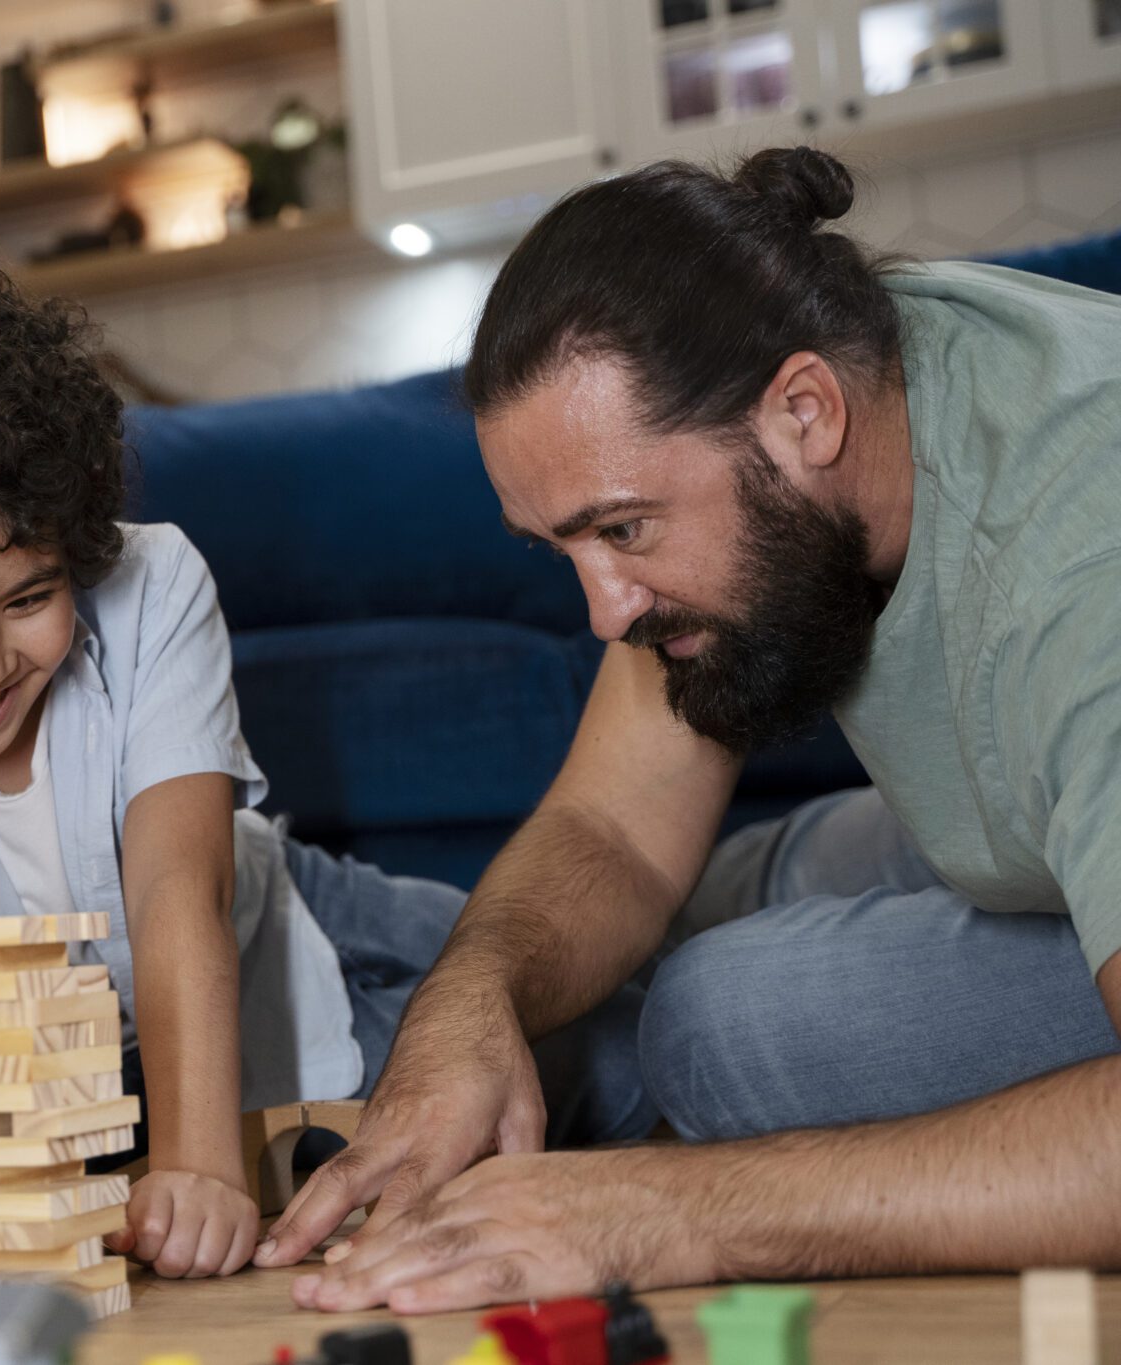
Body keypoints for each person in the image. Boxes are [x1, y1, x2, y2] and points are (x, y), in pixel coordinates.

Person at [0, 261, 650, 1289]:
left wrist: (197, 1163)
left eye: (28, 598)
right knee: (504, 1127)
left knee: (615, 1035)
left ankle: (742, 879)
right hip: (100, 1084)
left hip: (293, 935)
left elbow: (174, 891)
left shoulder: (152, 582)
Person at [253, 146, 1121, 1312]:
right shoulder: (842, 354)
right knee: (713, 888)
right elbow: (613, 828)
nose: (602, 612)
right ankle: (345, 939)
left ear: (803, 413)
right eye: (562, 549)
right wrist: (468, 1005)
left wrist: (662, 1205)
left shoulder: (1083, 563)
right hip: (1032, 820)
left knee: (723, 1018)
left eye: (624, 530)